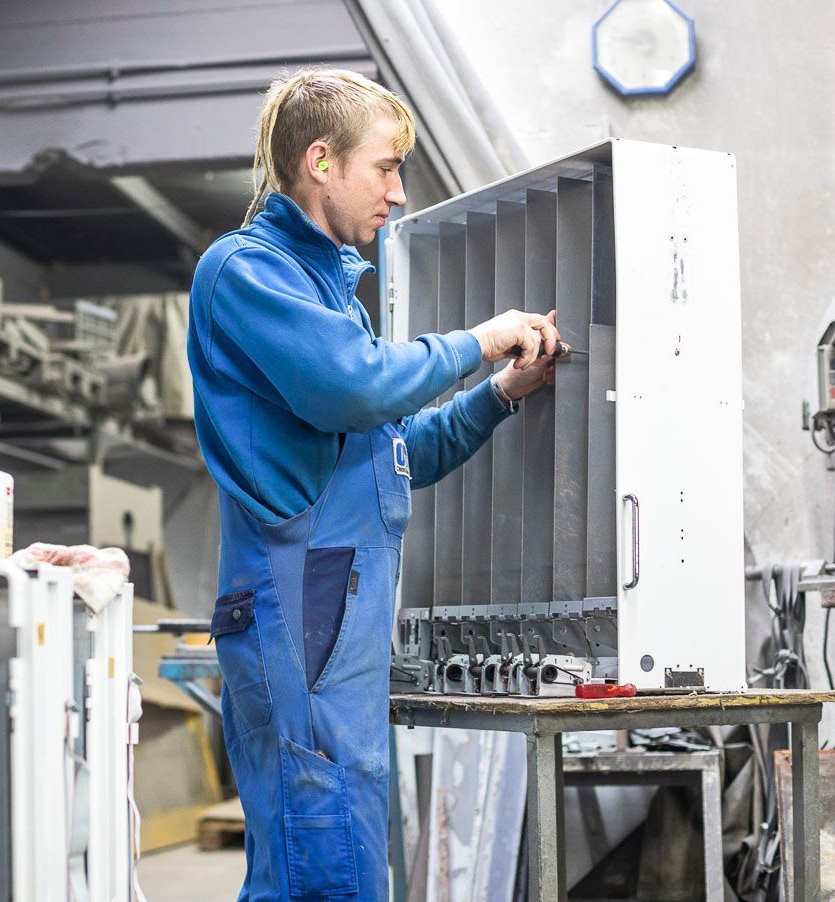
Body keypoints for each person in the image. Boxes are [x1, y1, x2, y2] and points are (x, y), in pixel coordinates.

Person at [187, 68, 560, 900]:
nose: (397, 192)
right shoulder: (246, 272)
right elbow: (357, 388)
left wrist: (499, 394)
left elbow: (394, 454)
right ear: (321, 162)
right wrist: (480, 340)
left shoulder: (330, 295)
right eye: (385, 168)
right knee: (322, 860)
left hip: (330, 611)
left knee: (327, 850)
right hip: (300, 602)